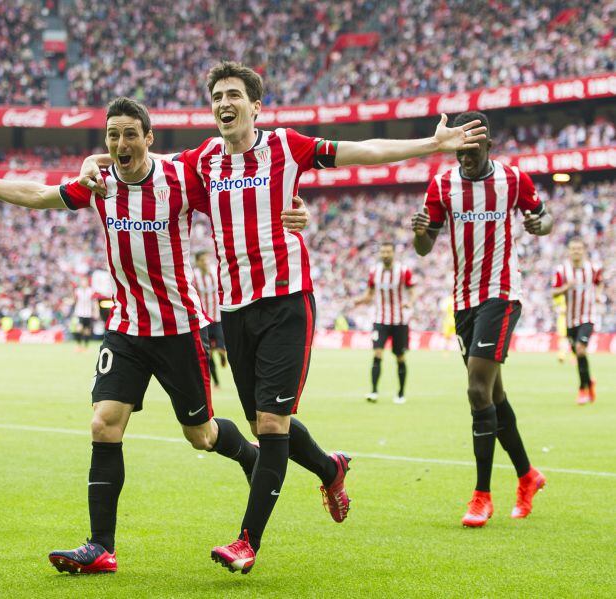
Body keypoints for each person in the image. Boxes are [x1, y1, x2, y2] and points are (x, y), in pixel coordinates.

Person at [81, 61, 488, 573]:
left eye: (234, 94)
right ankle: (328, 466)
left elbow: (358, 152)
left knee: (272, 422)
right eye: (217, 96)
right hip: (233, 307)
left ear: (256, 105)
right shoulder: (202, 160)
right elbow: (136, 156)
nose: (224, 103)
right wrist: (92, 162)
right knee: (260, 421)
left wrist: (429, 146)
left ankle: (246, 541)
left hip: (286, 300)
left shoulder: (285, 147)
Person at [0, 97, 314, 575]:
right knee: (103, 424)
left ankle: (247, 455)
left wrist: (296, 213)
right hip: (126, 329)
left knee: (201, 434)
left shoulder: (179, 179)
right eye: (112, 135)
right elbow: (41, 194)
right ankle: (100, 547)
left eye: (130, 134)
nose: (120, 143)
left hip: (179, 328)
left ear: (149, 138)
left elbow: (238, 196)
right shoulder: (100, 182)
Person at [411, 110, 553, 528]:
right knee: (493, 396)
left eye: (472, 150)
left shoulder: (513, 180)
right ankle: (528, 475)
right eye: (459, 150)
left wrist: (536, 224)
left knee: (476, 389)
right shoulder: (442, 185)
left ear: (488, 144)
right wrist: (420, 231)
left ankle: (482, 495)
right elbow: (424, 246)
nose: (465, 158)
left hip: (502, 294)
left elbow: (544, 218)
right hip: (464, 302)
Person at [355, 242, 415, 404]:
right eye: (383, 252)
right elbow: (369, 294)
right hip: (380, 319)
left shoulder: (403, 271)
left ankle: (401, 393)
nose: (385, 254)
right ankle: (374, 391)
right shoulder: (374, 271)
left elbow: (412, 292)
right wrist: (360, 300)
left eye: (388, 251)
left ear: (393, 253)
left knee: (400, 356)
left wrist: (410, 302)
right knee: (377, 353)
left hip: (399, 320)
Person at [552, 238, 603, 404]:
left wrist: (596, 295)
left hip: (588, 316)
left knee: (580, 349)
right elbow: (554, 292)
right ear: (569, 251)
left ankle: (582, 390)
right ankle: (589, 382)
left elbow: (600, 282)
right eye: (573, 249)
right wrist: (567, 287)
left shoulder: (593, 268)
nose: (576, 251)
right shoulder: (562, 270)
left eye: (579, 249)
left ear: (584, 250)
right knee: (579, 354)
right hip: (570, 320)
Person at [193, 250, 227, 388]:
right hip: (204, 321)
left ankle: (223, 355)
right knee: (208, 354)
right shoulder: (194, 276)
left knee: (219, 348)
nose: (205, 262)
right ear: (197, 261)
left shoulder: (215, 271)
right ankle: (216, 383)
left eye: (206, 259)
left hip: (217, 318)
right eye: (202, 260)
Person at [72, 277, 97, 352]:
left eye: (85, 281)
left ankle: (86, 347)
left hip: (88, 313)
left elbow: (94, 302)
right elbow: (74, 301)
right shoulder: (77, 291)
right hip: (79, 313)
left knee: (87, 330)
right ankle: (79, 345)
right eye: (82, 281)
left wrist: (96, 311)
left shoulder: (91, 291)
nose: (83, 283)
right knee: (78, 328)